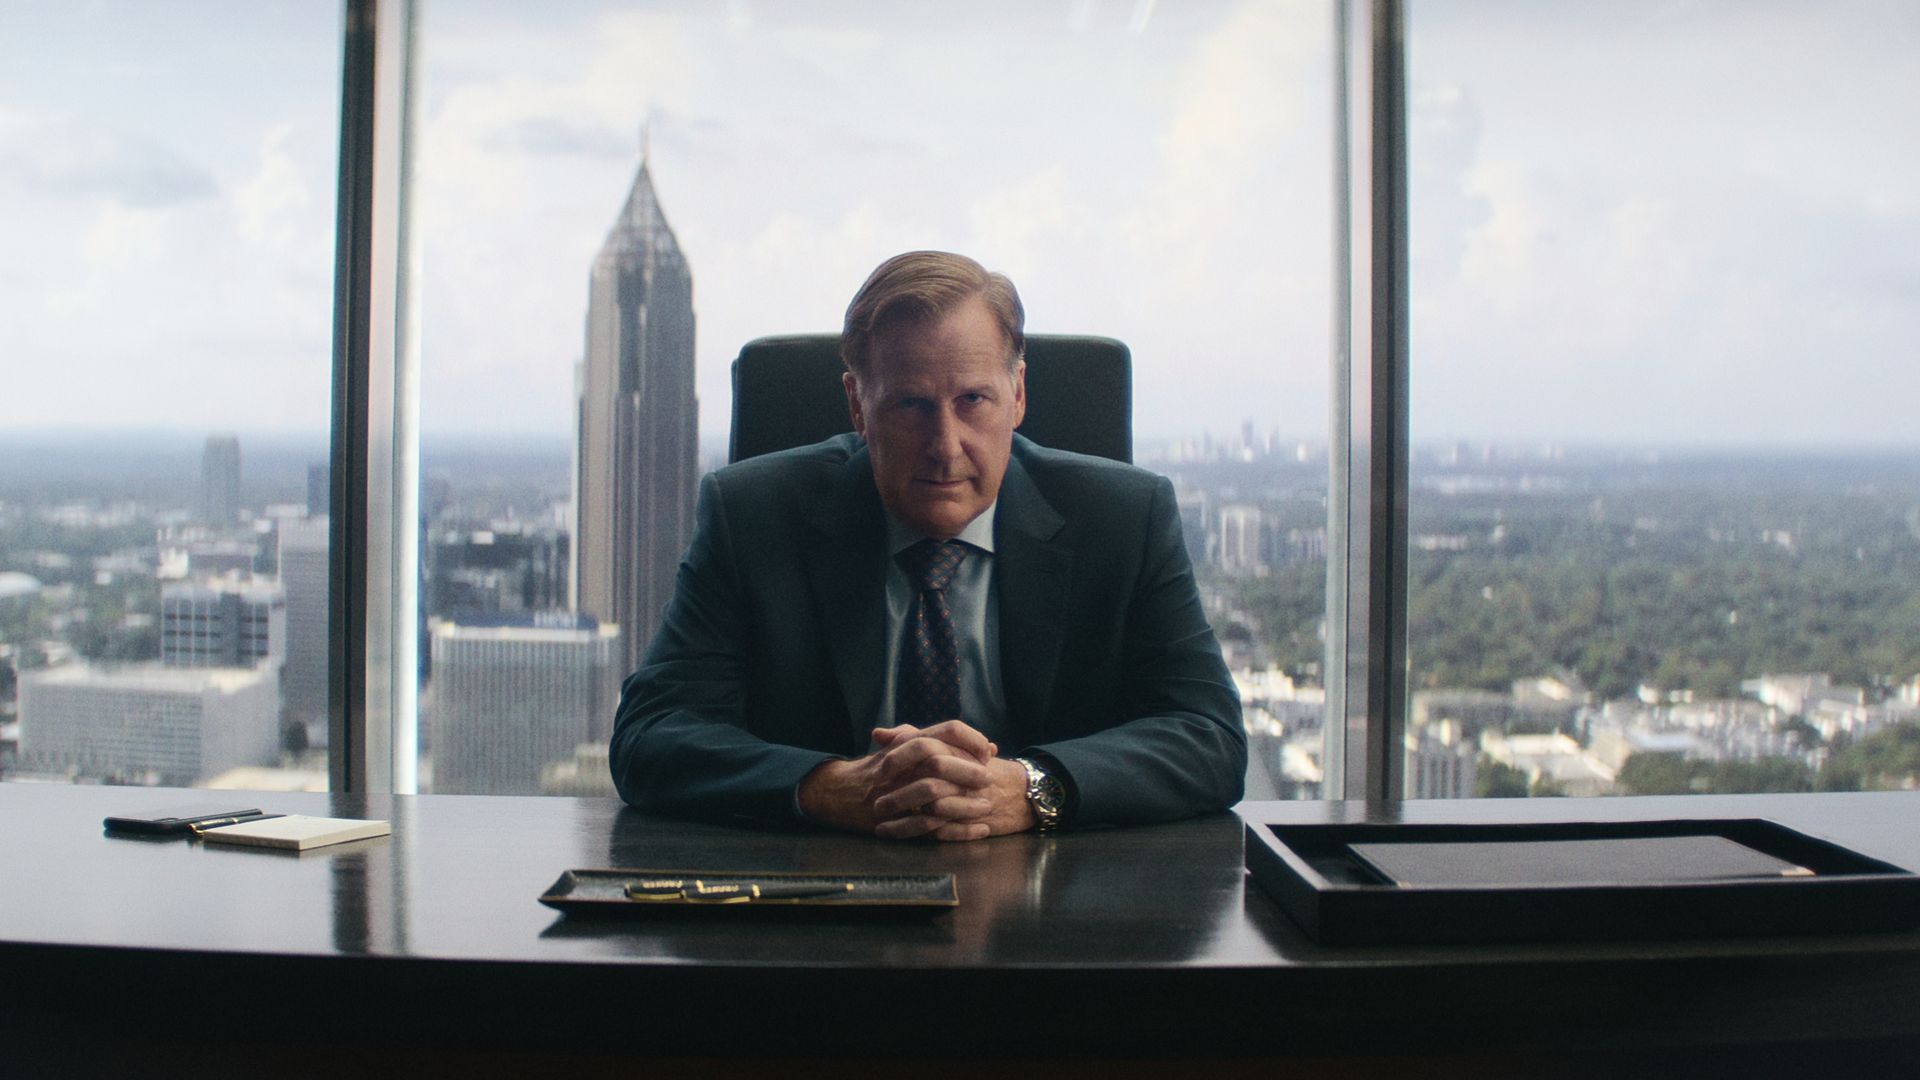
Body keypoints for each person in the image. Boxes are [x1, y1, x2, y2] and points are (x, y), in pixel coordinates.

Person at [610, 251, 1244, 840]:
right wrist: (829, 787)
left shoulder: (1125, 518)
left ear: (1018, 396)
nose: (945, 446)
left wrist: (1033, 787)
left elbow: (1209, 735)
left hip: (1059, 898)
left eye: (973, 400)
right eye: (911, 404)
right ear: (857, 406)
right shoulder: (751, 516)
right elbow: (651, 735)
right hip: (821, 891)